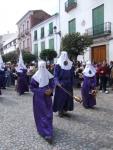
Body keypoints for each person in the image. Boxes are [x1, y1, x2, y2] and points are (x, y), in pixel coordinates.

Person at [30, 61, 54, 144]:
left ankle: (48, 129)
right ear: (38, 67)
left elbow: (52, 84)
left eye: (44, 66)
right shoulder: (35, 77)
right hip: (39, 99)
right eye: (41, 67)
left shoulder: (49, 76)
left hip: (47, 98)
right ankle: (46, 133)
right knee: (41, 114)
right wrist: (42, 92)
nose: (43, 68)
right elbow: (32, 88)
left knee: (48, 113)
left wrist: (50, 90)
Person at [53, 51, 75, 117]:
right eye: (63, 55)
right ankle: (60, 110)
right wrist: (57, 82)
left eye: (66, 55)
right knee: (60, 98)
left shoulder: (70, 64)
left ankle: (65, 109)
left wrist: (72, 83)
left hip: (68, 84)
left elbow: (72, 75)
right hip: (61, 84)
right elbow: (55, 75)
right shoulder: (58, 65)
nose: (65, 56)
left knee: (68, 98)